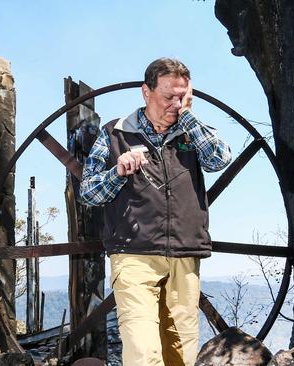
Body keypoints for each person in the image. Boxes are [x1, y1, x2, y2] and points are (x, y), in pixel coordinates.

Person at [79, 58, 231, 366]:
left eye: (183, 95)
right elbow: (89, 193)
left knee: (182, 353)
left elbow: (219, 159)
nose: (175, 104)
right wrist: (117, 173)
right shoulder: (114, 134)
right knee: (142, 348)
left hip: (185, 257)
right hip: (134, 255)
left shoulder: (192, 133)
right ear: (146, 92)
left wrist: (187, 116)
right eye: (168, 96)